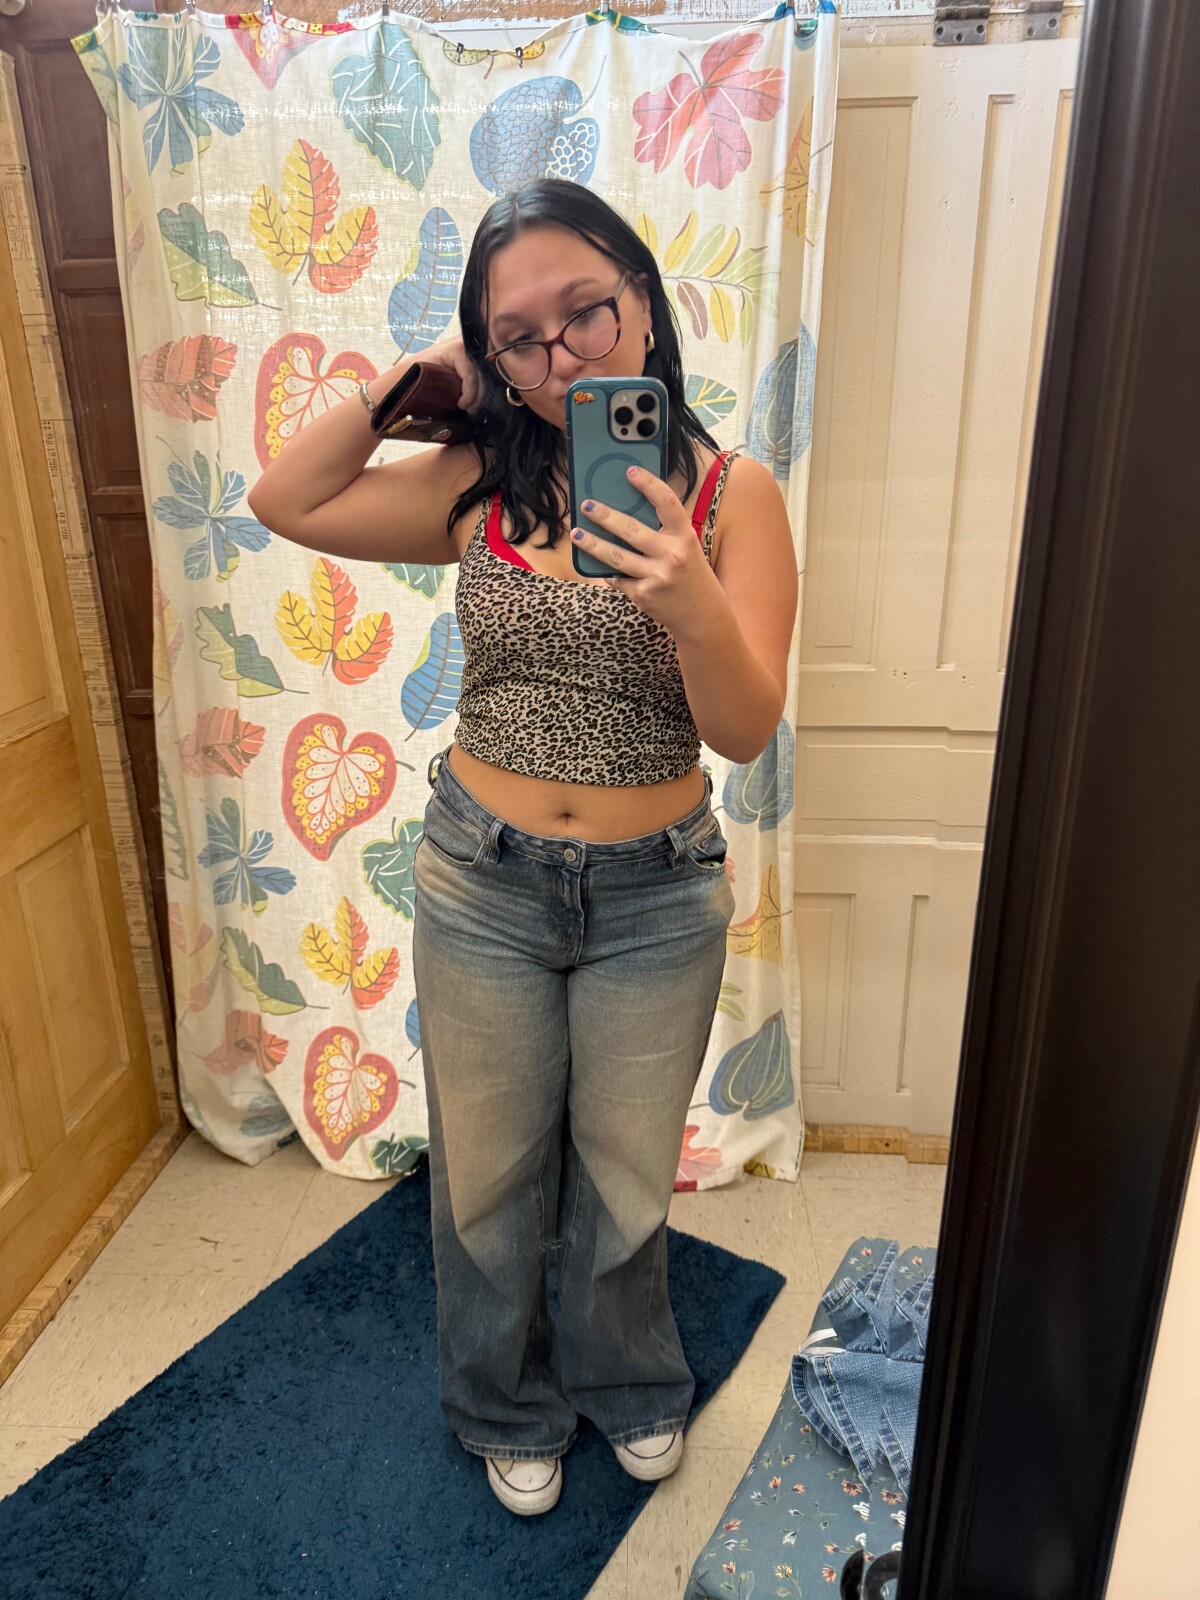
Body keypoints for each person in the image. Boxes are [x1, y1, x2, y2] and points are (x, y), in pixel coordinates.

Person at [248, 177, 797, 1517]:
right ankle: (501, 1402)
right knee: (488, 1180)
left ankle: (629, 1378)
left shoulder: (737, 496)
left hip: (657, 896)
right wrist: (417, 375)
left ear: (643, 302)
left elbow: (740, 730)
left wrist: (689, 596)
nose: (565, 358)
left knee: (625, 1174)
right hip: (481, 881)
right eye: (521, 338)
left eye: (587, 312)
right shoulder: (476, 485)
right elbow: (286, 499)